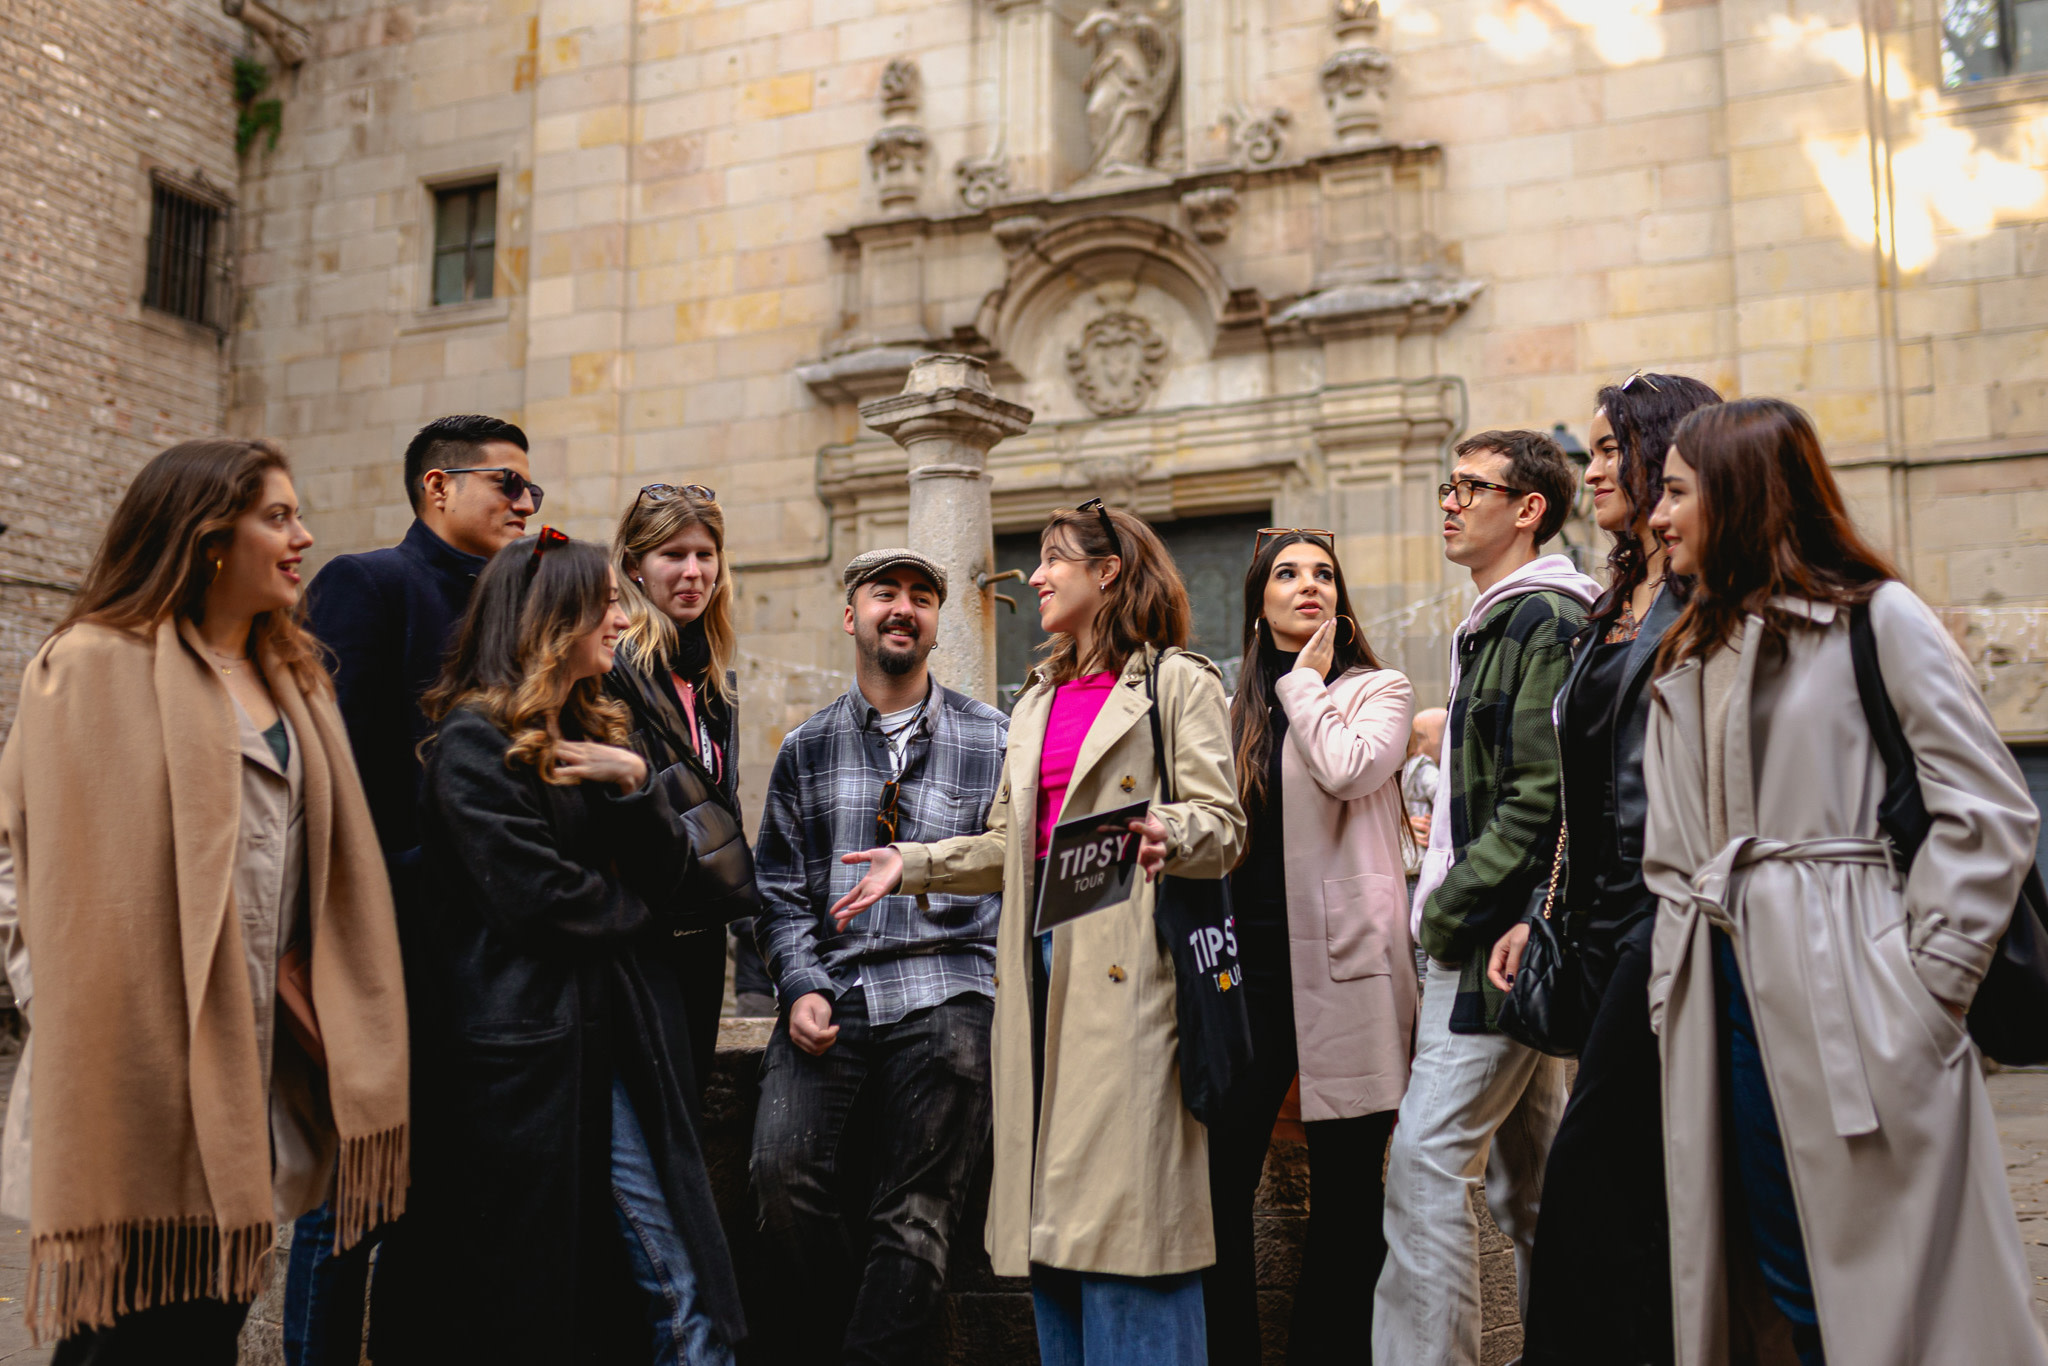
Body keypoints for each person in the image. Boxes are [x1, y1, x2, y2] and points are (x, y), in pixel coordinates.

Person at [1639, 398, 2048, 1366]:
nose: (1656, 515)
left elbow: (1984, 808)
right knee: (1775, 1271)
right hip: (1724, 989)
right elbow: (1669, 854)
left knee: (1885, 1282)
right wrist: (1673, 989)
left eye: (1675, 490)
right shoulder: (1690, 648)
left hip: (1854, 991)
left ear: (1738, 495)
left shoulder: (1873, 618)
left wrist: (1920, 990)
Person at [0, 439, 410, 1361]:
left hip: (257, 1072)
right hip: (132, 1076)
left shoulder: (295, 678)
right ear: (207, 536)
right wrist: (72, 1014)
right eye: (278, 516)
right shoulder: (91, 665)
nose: (304, 536)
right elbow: (15, 861)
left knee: (206, 1326)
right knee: (122, 1337)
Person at [834, 503, 1249, 1366]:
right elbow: (1005, 845)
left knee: (1131, 1231)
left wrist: (1174, 829)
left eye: (1056, 560)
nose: (1036, 576)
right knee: (1054, 1233)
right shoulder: (1035, 700)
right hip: (1038, 975)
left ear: (1109, 573)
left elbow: (1225, 824)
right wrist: (910, 864)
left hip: (1135, 978)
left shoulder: (1177, 682)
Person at [407, 530, 743, 1365]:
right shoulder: (472, 745)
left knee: (671, 1270)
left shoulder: (603, 730)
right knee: (598, 1285)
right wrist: (632, 906)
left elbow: (674, 882)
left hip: (617, 1036)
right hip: (528, 1060)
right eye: (606, 601)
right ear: (552, 617)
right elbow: (543, 902)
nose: (624, 617)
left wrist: (633, 789)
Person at [1487, 371, 1721, 1366]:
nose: (1589, 471)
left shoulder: (1700, 591)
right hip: (1591, 924)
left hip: (1667, 918)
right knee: (1641, 1190)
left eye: (1605, 451)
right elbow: (1575, 773)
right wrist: (1533, 902)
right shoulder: (1616, 592)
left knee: (1584, 1177)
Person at [292, 412, 536, 1364]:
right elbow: (335, 775)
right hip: (382, 944)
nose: (525, 502)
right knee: (349, 1200)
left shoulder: (518, 609)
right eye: (507, 485)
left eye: (532, 490)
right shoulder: (368, 584)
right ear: (439, 487)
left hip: (487, 962)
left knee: (438, 1211)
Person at [747, 549, 1009, 1364]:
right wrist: (798, 987)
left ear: (939, 620)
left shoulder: (995, 736)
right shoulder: (807, 746)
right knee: (778, 1179)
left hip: (952, 985)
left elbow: (1016, 871)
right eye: (884, 594)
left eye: (922, 597)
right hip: (838, 991)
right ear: (851, 614)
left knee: (919, 1211)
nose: (904, 608)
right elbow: (780, 892)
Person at [1374, 430, 1598, 1366]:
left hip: (1495, 941)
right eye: (1448, 484)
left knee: (1426, 1163)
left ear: (1529, 507)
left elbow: (1540, 793)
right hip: (1514, 930)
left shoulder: (1542, 613)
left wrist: (1450, 911)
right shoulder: (1508, 615)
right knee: (1533, 1185)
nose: (1450, 502)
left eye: (1471, 487)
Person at [1204, 530, 1415, 1364]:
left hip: (1346, 967)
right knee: (1218, 1187)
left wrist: (1304, 684)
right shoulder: (1226, 710)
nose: (1308, 586)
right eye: (1287, 573)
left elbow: (1350, 768)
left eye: (1323, 573)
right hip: (1246, 977)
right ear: (1257, 597)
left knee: (1349, 1197)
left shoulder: (1378, 689)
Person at [607, 482, 765, 1101]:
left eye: (706, 554)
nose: (693, 572)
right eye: (672, 554)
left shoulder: (710, 683)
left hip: (700, 940)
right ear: (634, 568)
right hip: (636, 941)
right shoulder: (611, 669)